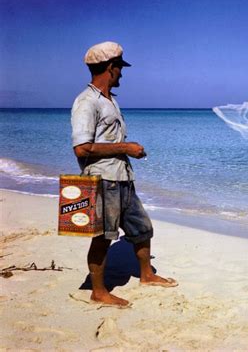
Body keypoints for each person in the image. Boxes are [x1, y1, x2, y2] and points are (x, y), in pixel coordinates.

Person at [71, 41, 177, 307]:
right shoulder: (86, 102)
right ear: (110, 67)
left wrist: (127, 152)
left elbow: (105, 141)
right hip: (104, 180)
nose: (122, 73)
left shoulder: (110, 100)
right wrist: (125, 148)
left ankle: (146, 275)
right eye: (119, 67)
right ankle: (99, 291)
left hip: (122, 178)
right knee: (103, 237)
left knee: (143, 228)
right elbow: (82, 149)